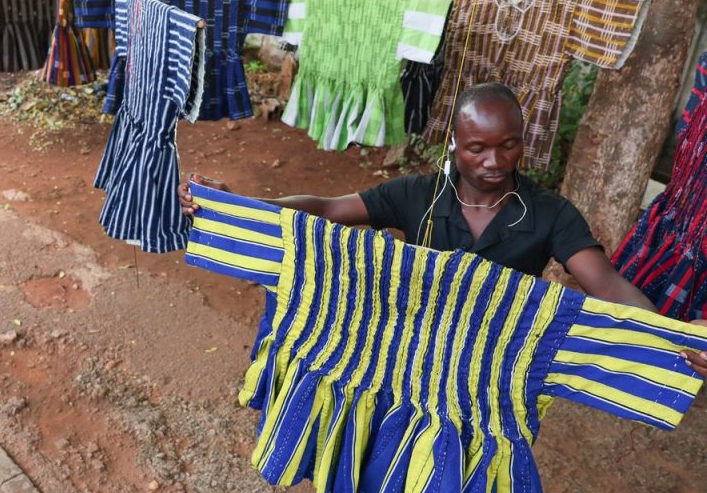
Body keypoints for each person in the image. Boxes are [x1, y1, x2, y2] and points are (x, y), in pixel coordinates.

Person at [178, 82, 707, 377]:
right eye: (478, 148)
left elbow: (608, 286)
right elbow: (325, 208)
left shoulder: (550, 214)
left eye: (508, 145)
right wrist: (240, 203)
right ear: (454, 144)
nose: (495, 161)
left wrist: (678, 337)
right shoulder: (417, 195)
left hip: (487, 370)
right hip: (401, 355)